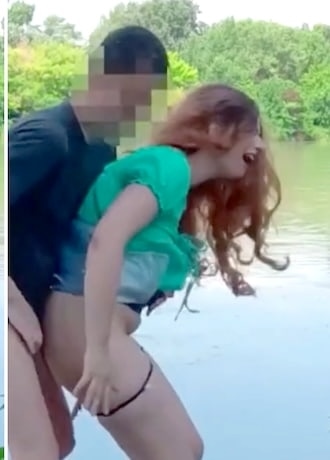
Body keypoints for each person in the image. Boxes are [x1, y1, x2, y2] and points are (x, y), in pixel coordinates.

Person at [42, 83, 289, 460]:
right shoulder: (169, 166)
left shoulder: (174, 179)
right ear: (218, 129)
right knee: (178, 453)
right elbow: (105, 240)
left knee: (185, 450)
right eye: (253, 131)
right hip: (86, 333)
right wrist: (97, 353)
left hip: (82, 331)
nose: (259, 145)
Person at [8, 26, 169, 460]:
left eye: (145, 102)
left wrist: (150, 281)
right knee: (38, 449)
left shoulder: (101, 149)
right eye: (129, 98)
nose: (136, 112)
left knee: (60, 440)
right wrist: (9, 301)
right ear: (97, 75)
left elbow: (89, 241)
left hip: (37, 313)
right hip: (8, 309)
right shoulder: (47, 137)